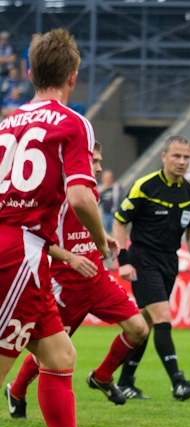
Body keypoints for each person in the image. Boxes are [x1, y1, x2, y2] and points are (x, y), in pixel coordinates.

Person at [0, 29, 125, 427]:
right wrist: (100, 240)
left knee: (59, 355)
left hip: (21, 249)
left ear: (30, 73)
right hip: (19, 256)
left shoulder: (8, 121)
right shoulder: (73, 122)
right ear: (73, 77)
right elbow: (79, 194)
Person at [6, 143, 149, 410]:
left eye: (99, 160)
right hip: (66, 286)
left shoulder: (89, 190)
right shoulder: (54, 196)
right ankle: (16, 390)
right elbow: (34, 238)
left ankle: (102, 377)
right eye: (94, 161)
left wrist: (102, 236)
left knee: (139, 329)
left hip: (98, 279)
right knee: (51, 353)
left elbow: (85, 225)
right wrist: (70, 257)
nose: (99, 167)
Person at [113, 135, 190, 401]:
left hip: (169, 262)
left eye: (186, 157)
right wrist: (124, 261)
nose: (182, 162)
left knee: (144, 325)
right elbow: (120, 222)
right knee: (163, 316)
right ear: (164, 157)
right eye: (176, 156)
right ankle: (178, 382)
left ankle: (125, 381)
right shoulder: (145, 186)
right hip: (143, 259)